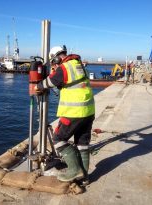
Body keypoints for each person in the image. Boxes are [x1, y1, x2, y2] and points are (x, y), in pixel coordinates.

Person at [35, 45, 95, 183]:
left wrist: (37, 86)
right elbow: (70, 83)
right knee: (82, 144)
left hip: (74, 112)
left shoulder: (65, 67)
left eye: (54, 61)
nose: (54, 64)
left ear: (56, 57)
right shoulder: (79, 65)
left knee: (58, 139)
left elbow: (50, 82)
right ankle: (84, 178)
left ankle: (74, 171)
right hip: (88, 111)